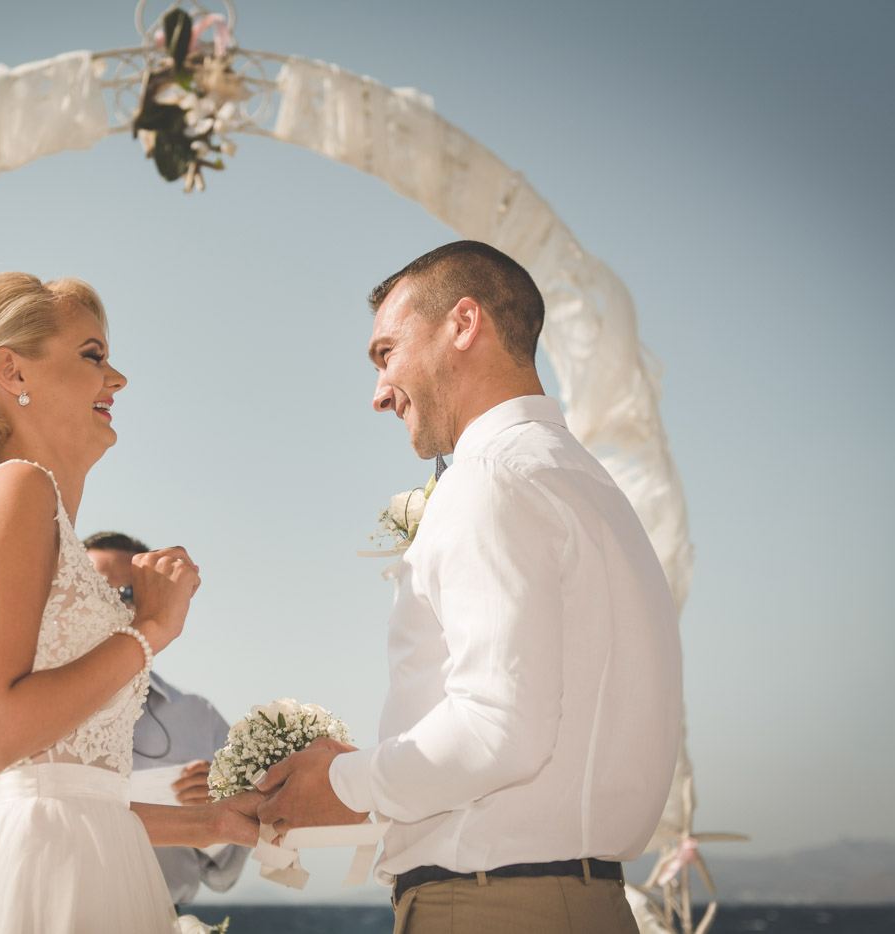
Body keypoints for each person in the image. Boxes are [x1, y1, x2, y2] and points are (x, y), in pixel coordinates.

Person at [255, 241, 683, 933]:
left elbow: (499, 730)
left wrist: (339, 784)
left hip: (489, 906)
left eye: (386, 352)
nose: (378, 393)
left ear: (463, 323)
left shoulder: (489, 480)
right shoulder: (596, 493)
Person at [0, 272, 258, 933]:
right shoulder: (18, 488)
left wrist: (208, 820)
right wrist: (151, 628)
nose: (117, 378)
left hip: (84, 864)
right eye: (94, 355)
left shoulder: (36, 511)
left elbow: (60, 788)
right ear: (12, 371)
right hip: (44, 883)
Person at [0, 530, 250, 907]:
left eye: (129, 593)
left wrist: (212, 811)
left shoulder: (199, 716)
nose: (115, 605)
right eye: (97, 589)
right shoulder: (28, 702)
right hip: (41, 911)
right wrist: (28, 823)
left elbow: (224, 872)